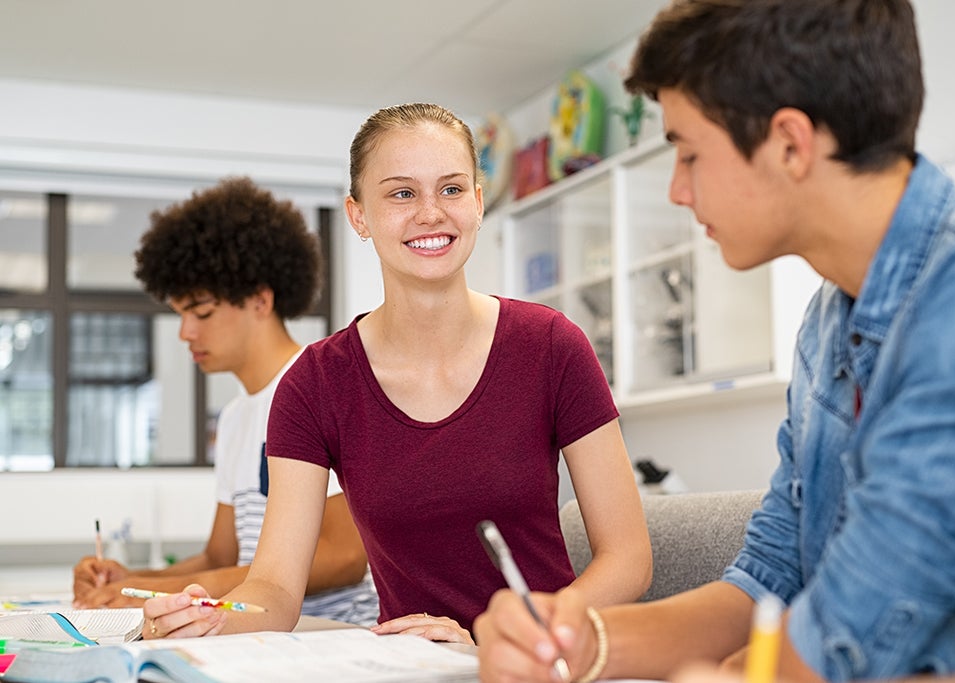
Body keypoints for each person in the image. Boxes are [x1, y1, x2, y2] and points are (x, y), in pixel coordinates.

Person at [475, 0, 955, 681]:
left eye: (688, 153)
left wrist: (740, 674)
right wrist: (578, 639)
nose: (676, 190)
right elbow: (769, 579)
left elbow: (858, 621)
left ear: (790, 143)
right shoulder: (828, 323)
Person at [135, 103, 653, 645]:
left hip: (544, 661)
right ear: (358, 216)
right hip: (412, 667)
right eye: (402, 193)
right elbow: (276, 589)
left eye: (451, 189)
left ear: (477, 204)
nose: (431, 213)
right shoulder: (315, 384)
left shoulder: (551, 345)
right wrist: (210, 616)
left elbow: (628, 558)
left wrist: (502, 637)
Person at [71, 176, 379, 627]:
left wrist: (158, 591)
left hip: (335, 635)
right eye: (181, 316)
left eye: (202, 312)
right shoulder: (235, 418)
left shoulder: (321, 386)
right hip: (258, 633)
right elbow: (221, 555)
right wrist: (130, 579)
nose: (185, 333)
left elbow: (343, 557)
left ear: (260, 300)